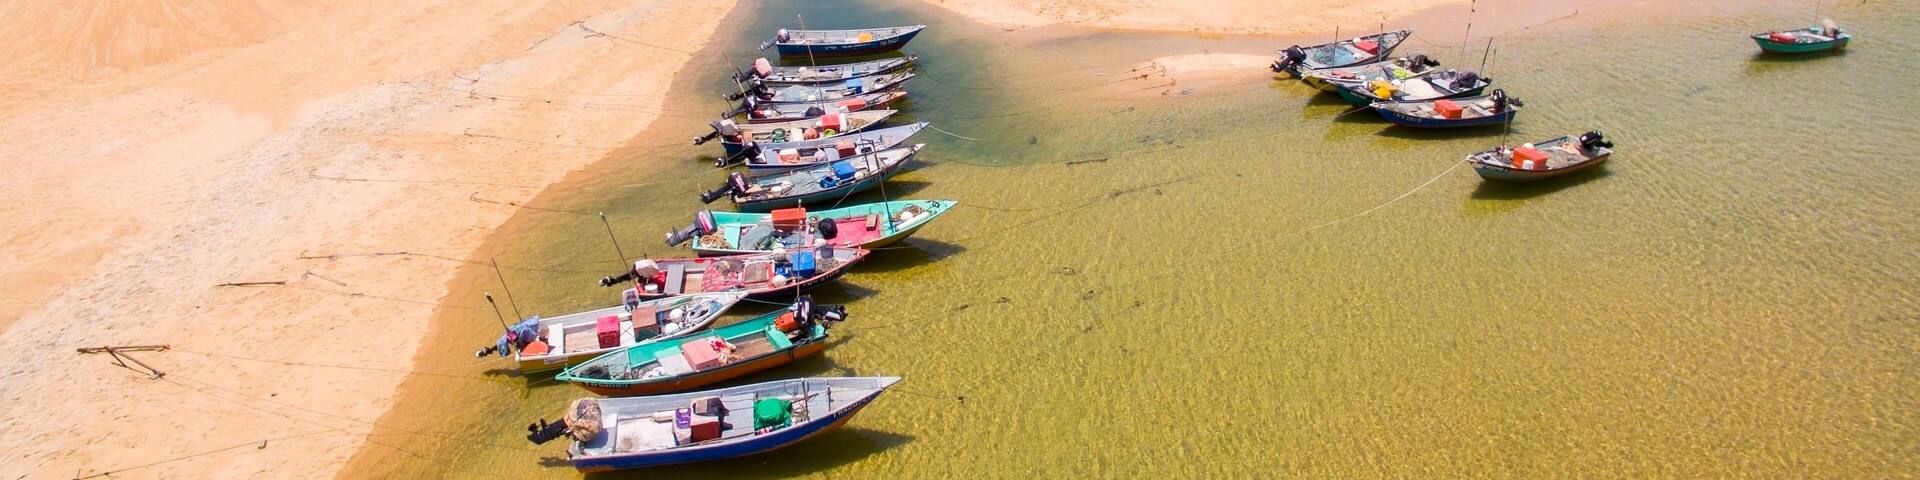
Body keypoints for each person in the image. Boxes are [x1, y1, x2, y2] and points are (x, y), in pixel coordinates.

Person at [475, 316, 543, 358]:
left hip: (519, 331)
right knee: (499, 345)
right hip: (514, 332)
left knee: (525, 338)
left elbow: (518, 339)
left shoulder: (508, 338)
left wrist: (519, 344)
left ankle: (487, 351)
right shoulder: (504, 340)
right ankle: (486, 351)